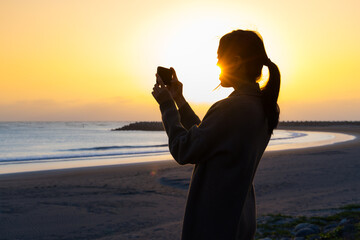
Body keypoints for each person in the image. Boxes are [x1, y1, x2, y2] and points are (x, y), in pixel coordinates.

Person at [152, 29, 280, 240]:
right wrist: (179, 100)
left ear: (237, 61)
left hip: (213, 223)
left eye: (220, 59)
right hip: (239, 219)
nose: (217, 65)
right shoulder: (264, 106)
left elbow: (183, 150)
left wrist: (167, 105)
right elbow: (210, 138)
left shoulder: (232, 107)